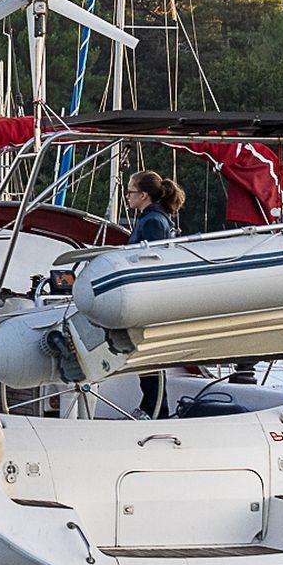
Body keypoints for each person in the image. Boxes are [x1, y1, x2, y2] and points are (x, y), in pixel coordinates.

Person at [125, 170, 186, 419]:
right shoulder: (155, 218)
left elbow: (152, 261)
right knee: (144, 357)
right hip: (148, 297)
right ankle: (152, 405)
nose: (127, 196)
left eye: (130, 191)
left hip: (147, 297)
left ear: (143, 195)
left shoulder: (152, 222)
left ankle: (156, 408)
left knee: (147, 357)